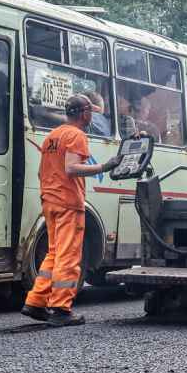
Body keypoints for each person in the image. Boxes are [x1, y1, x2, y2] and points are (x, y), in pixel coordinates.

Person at [21, 93, 117, 327]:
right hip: (68, 203)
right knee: (69, 255)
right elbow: (72, 168)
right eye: (90, 112)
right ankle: (61, 308)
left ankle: (36, 301)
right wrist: (105, 166)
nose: (91, 116)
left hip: (50, 201)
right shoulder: (76, 135)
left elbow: (43, 171)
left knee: (53, 252)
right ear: (84, 113)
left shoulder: (52, 136)